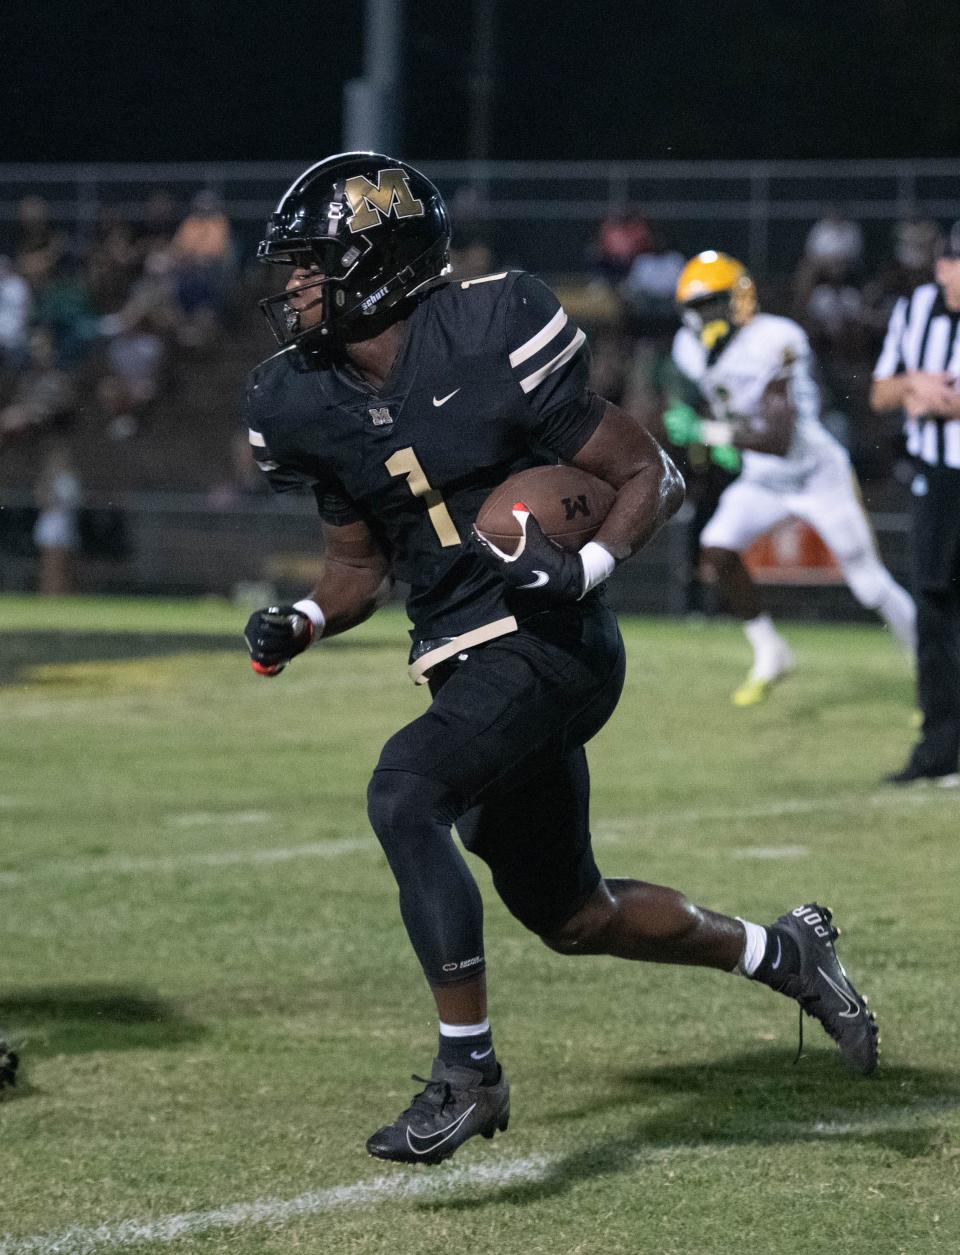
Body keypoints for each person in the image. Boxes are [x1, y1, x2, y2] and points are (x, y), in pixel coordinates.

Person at [242, 154, 878, 1166]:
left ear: (378, 261)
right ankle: (784, 951)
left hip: (553, 639)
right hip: (462, 658)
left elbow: (648, 471)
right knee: (571, 913)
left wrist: (580, 566)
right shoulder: (302, 401)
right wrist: (307, 620)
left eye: (314, 265)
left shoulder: (489, 332)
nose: (293, 287)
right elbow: (357, 565)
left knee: (405, 791)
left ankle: (468, 1072)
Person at [663, 250, 916, 706]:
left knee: (869, 584)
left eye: (713, 304)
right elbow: (710, 405)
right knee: (716, 550)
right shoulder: (688, 348)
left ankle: (930, 670)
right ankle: (770, 650)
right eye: (697, 309)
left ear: (739, 300)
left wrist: (708, 431)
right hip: (762, 480)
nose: (705, 318)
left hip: (815, 474)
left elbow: (777, 437)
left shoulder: (776, 339)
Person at [870, 221, 960, 786]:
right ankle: (938, 750)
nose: (948, 275)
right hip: (937, 479)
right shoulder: (917, 308)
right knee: (932, 613)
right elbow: (879, 392)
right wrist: (911, 387)